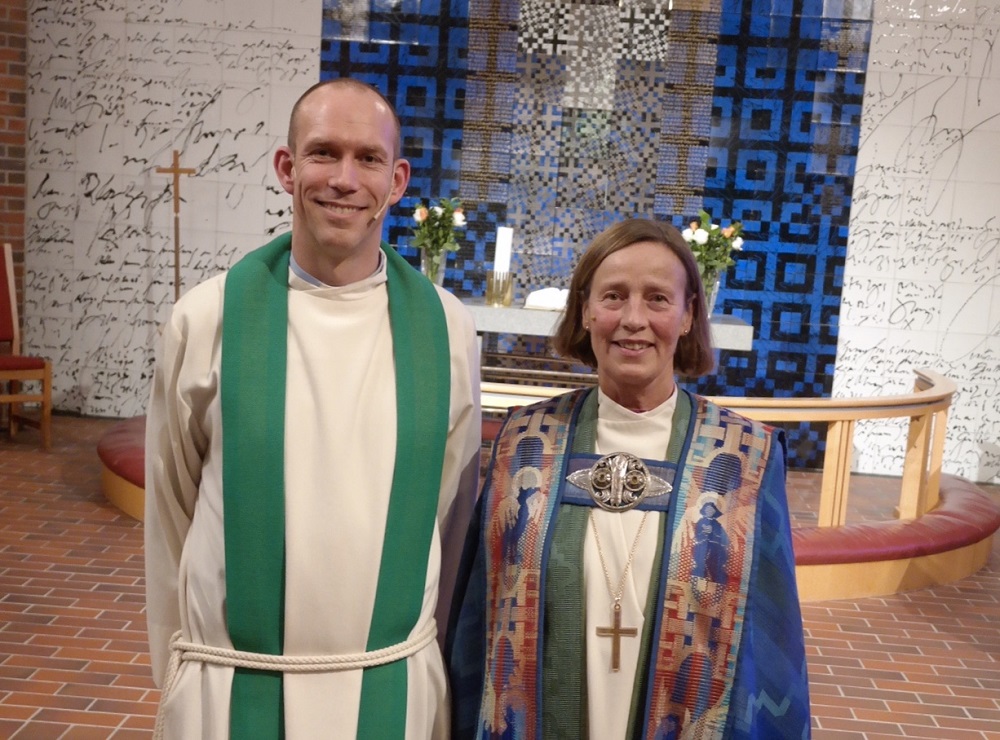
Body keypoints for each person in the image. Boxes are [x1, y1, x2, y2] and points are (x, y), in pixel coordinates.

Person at [144, 78, 482, 739]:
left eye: (369, 159)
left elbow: (451, 512)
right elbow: (170, 509)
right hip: (231, 686)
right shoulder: (206, 318)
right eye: (324, 153)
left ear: (399, 179)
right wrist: (177, 673)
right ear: (287, 167)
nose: (344, 180)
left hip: (388, 683)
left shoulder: (448, 330)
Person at [446, 218, 810, 738]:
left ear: (688, 316)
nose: (633, 319)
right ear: (586, 311)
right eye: (613, 296)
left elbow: (771, 642)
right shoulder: (525, 440)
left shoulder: (746, 456)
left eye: (658, 299)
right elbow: (480, 624)